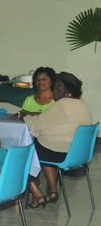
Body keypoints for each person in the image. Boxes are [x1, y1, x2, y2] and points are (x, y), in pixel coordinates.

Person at [24, 72, 93, 207]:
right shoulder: (81, 103)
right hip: (77, 154)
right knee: (44, 144)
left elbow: (36, 124)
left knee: (23, 152)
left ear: (68, 91)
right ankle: (53, 191)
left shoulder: (62, 104)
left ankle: (37, 194)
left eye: (58, 87)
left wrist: (24, 116)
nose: (54, 90)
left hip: (61, 153)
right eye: (54, 87)